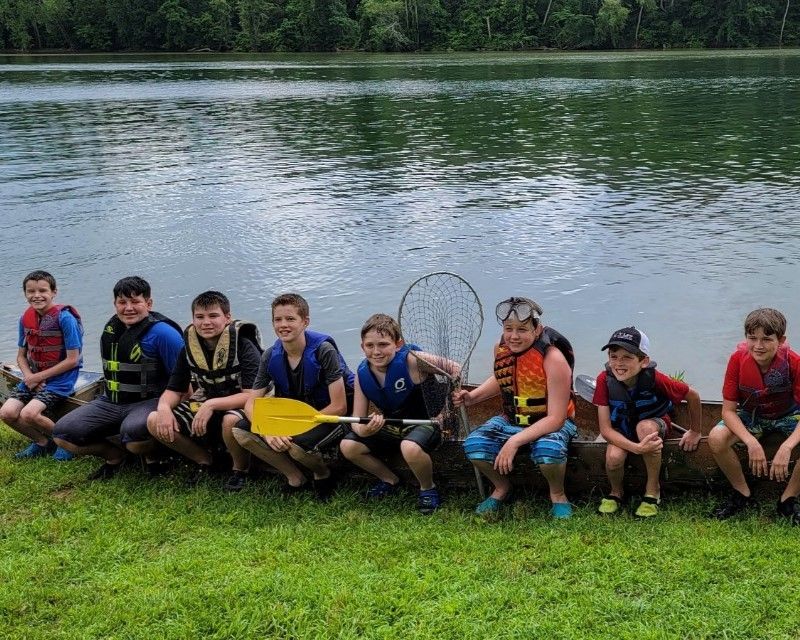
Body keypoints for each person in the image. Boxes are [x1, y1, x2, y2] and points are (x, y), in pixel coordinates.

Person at [456, 297, 577, 519]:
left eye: (522, 329)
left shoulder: (553, 359)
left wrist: (514, 441)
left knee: (549, 451)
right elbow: (503, 377)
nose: (513, 336)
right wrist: (473, 397)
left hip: (551, 422)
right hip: (511, 419)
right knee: (474, 445)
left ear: (537, 329)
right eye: (508, 328)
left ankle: (558, 494)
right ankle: (502, 487)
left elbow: (557, 418)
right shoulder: (501, 348)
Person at [53, 276, 184, 480]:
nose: (128, 308)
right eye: (122, 302)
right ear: (115, 304)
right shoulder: (112, 329)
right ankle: (115, 456)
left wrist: (175, 411)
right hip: (111, 401)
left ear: (149, 303)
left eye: (135, 302)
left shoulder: (164, 333)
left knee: (134, 437)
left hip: (150, 401)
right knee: (63, 435)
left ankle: (154, 457)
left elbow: (183, 379)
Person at [232, 293, 354, 501]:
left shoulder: (324, 351)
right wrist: (267, 430)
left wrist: (290, 428)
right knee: (241, 431)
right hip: (294, 416)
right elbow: (251, 402)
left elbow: (339, 406)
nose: (283, 325)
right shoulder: (270, 355)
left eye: (290, 319)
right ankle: (295, 477)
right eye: (278, 319)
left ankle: (323, 474)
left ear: (305, 321)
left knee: (297, 447)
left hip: (327, 416)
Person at [339, 313, 459, 515]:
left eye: (383, 344)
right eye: (370, 345)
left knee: (409, 447)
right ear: (362, 347)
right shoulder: (362, 374)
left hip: (429, 423)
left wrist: (445, 413)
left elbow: (455, 368)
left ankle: (427, 488)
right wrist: (365, 431)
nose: (376, 351)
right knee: (348, 446)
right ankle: (389, 479)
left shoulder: (413, 360)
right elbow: (357, 420)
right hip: (396, 425)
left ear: (398, 344)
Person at [146, 291, 262, 488]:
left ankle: (240, 469)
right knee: (153, 419)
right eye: (199, 317)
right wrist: (164, 408)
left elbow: (251, 396)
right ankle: (205, 460)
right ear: (193, 319)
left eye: (213, 316)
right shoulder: (189, 348)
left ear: (227, 317)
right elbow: (174, 389)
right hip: (209, 402)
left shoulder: (243, 345)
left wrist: (211, 405)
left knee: (230, 420)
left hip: (244, 406)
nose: (206, 322)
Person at [593, 327, 702, 517]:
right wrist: (636, 448)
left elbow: (692, 395)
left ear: (644, 361)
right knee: (614, 458)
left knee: (644, 428)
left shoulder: (654, 378)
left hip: (654, 424)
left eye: (627, 357)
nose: (618, 363)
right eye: (613, 356)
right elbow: (606, 430)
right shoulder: (604, 380)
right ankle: (616, 492)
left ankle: (652, 490)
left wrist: (695, 431)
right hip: (622, 429)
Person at [708, 308, 800, 524]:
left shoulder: (794, 363)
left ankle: (788, 499)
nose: (758, 346)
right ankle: (742, 493)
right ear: (746, 338)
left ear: (781, 340)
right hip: (752, 415)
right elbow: (728, 411)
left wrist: (787, 447)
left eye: (767, 339)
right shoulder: (737, 360)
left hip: (789, 415)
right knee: (716, 438)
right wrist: (750, 442)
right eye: (752, 338)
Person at [0, 270, 83, 461]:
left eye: (43, 290)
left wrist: (38, 378)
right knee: (6, 413)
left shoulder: (65, 318)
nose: (37, 295)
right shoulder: (25, 318)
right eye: (31, 291)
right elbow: (21, 356)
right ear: (25, 294)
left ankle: (67, 443)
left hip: (61, 379)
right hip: (34, 377)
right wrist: (30, 377)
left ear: (54, 292)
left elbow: (73, 359)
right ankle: (43, 442)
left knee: (29, 414)